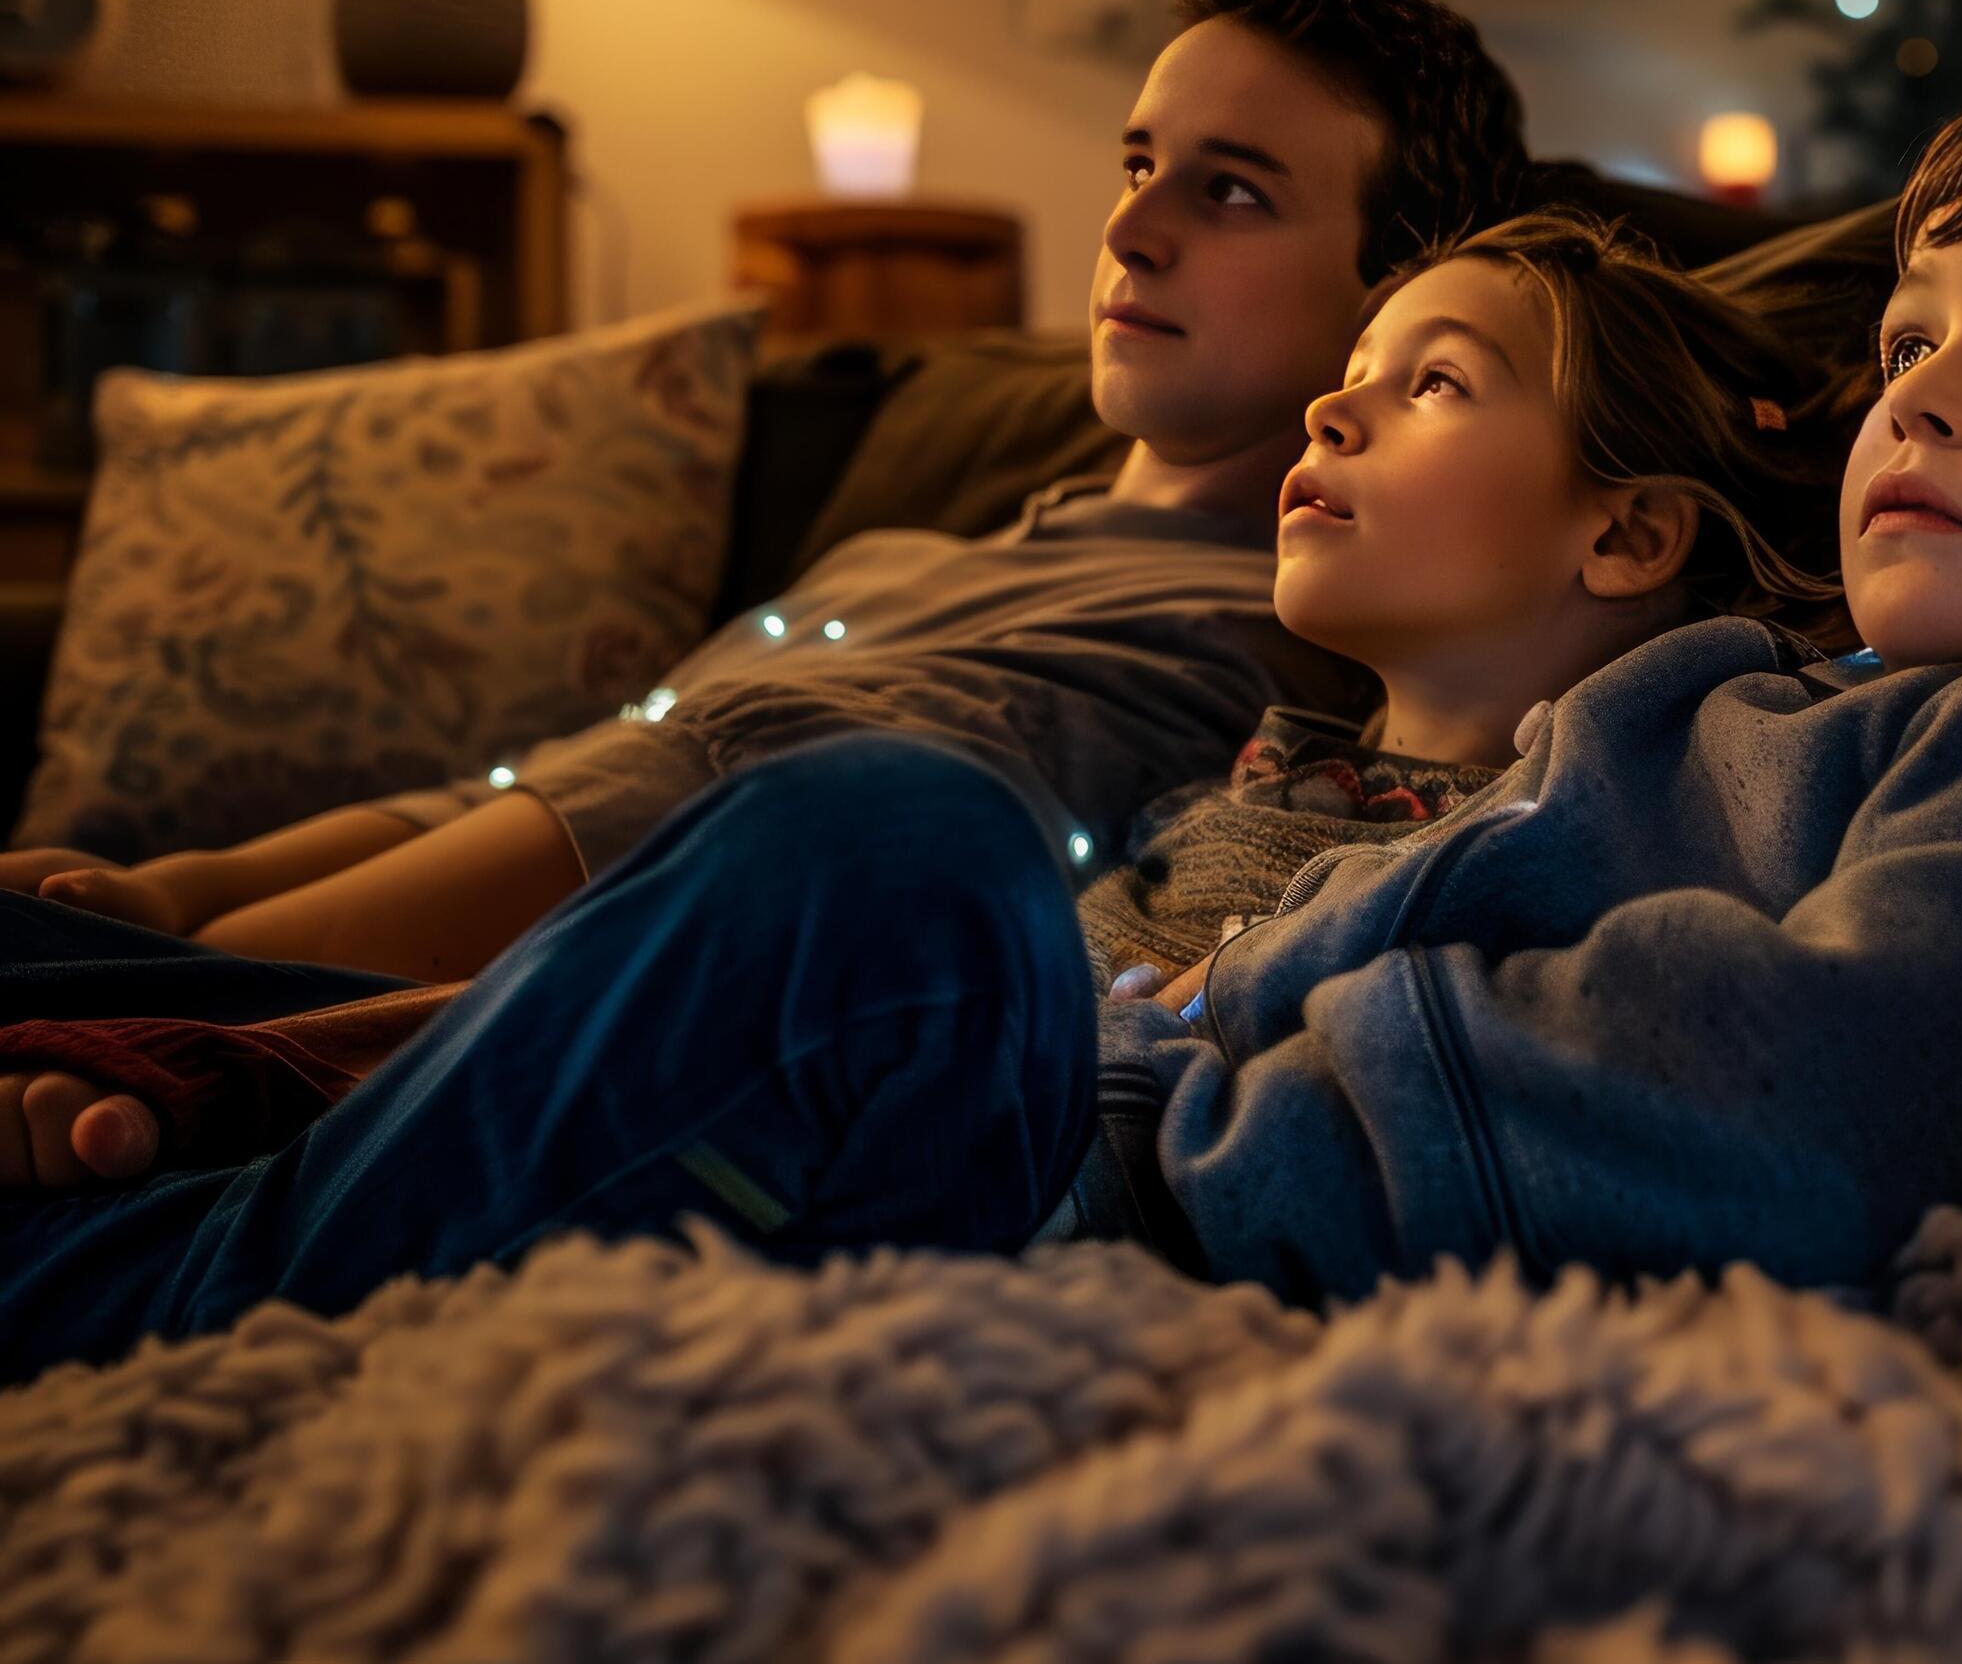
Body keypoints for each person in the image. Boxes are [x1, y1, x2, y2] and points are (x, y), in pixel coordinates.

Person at [0, 210, 1867, 1375]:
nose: (1331, 410)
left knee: (907, 836)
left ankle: (148, 1272)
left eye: (1432, 384)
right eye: (1350, 375)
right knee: (66, 946)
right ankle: (164, 1135)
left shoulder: (1631, 794)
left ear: (1626, 530)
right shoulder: (1261, 764)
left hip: (1043, 1183)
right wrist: (273, 1038)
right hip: (855, 1116)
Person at [0, 0, 1532, 1187]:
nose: (1132, 227)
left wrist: (178, 967)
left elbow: (697, 815)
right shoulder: (915, 554)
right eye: (1139, 162)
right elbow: (582, 767)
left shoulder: (1225, 646)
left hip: (398, 1040)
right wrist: (170, 892)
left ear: (1390, 300)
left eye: (1232, 191)